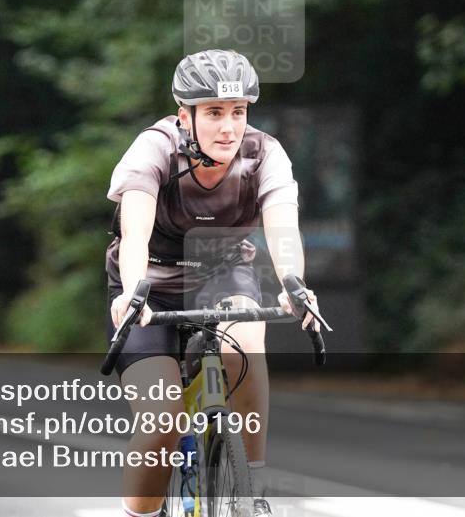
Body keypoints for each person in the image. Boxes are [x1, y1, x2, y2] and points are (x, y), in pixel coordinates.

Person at [106, 49, 321, 517]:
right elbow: (134, 233)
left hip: (224, 271)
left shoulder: (264, 153)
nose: (229, 127)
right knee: (161, 421)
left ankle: (249, 488)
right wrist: (132, 291)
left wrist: (293, 282)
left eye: (238, 113)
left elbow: (283, 229)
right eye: (215, 113)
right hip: (151, 284)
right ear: (186, 115)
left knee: (244, 340)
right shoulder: (154, 148)